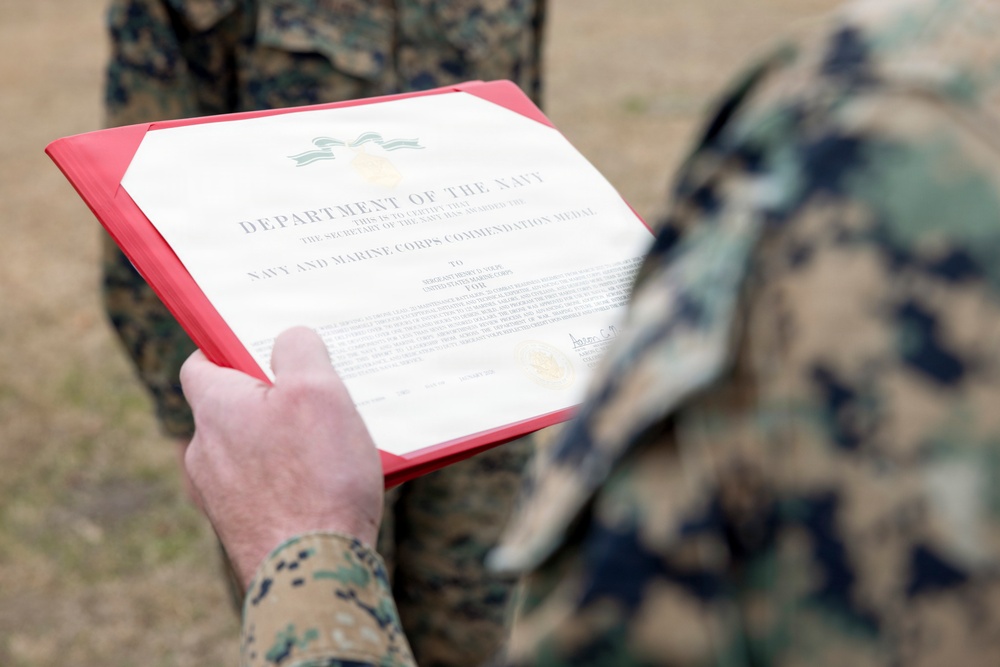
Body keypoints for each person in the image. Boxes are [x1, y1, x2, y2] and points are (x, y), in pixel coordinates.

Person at [180, 0, 1000, 664]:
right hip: (301, 365)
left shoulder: (900, 115)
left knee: (469, 608)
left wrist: (302, 551)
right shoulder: (925, 94)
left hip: (481, 367)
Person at [101, 1, 545, 664]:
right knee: (318, 621)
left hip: (479, 369)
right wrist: (188, 414)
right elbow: (138, 188)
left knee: (480, 629)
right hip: (299, 393)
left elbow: (519, 122)